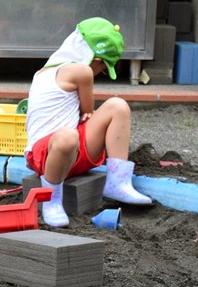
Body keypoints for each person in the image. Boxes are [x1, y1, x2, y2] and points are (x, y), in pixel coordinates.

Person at [24, 17, 153, 227]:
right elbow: (87, 111)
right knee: (68, 135)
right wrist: (86, 113)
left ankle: (118, 182)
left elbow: (86, 115)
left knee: (117, 105)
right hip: (46, 157)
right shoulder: (81, 71)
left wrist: (86, 116)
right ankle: (52, 200)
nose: (99, 73)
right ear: (96, 59)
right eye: (103, 68)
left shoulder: (44, 71)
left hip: (73, 152)